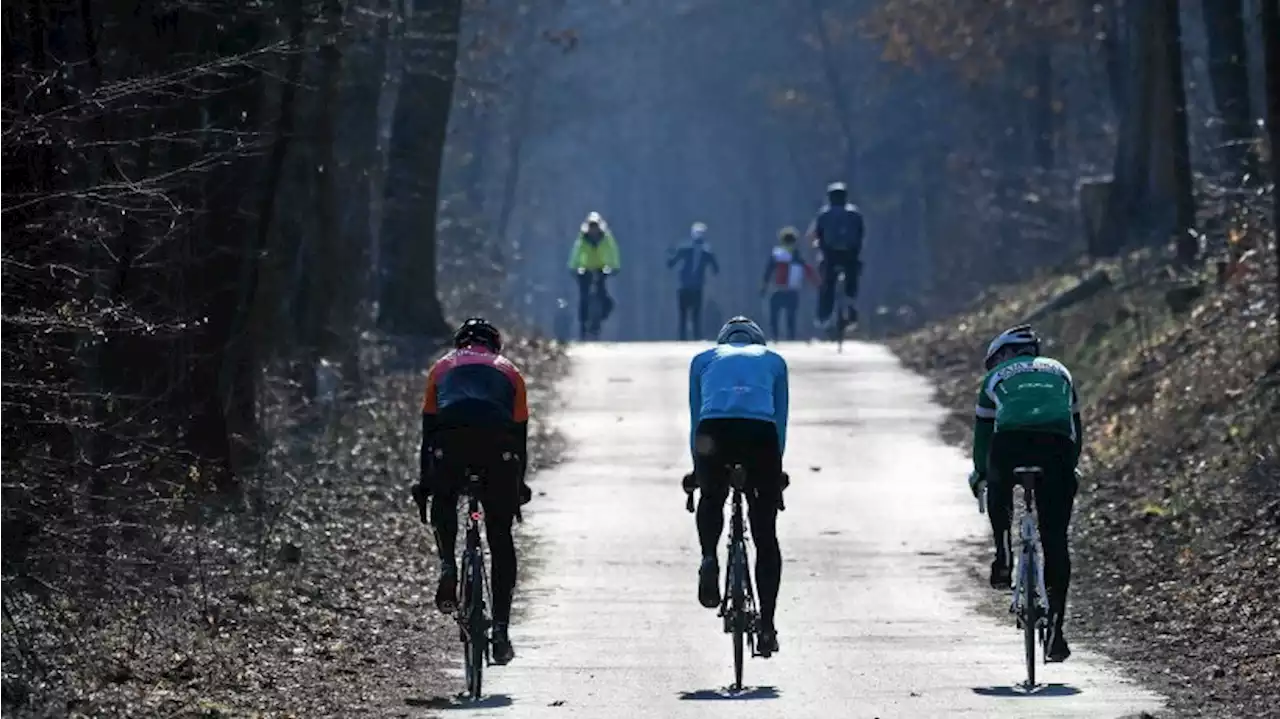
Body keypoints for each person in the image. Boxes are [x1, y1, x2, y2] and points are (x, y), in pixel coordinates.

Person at [412, 317, 533, 666]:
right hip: (497, 448)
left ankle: (449, 564)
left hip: (451, 443)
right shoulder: (510, 371)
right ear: (494, 345)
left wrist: (426, 483)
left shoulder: (441, 367)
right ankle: (500, 629)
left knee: (445, 496)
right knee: (499, 535)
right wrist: (517, 483)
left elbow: (428, 432)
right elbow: (519, 435)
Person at [967, 324, 1082, 663]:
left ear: (1002, 355)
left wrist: (981, 476)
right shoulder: (1061, 372)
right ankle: (1057, 632)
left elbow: (982, 439)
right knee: (1055, 538)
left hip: (1011, 445)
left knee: (999, 484)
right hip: (1057, 448)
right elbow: (1076, 430)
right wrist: (1070, 467)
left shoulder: (995, 378)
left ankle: (1003, 554)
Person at [685, 317, 789, 656]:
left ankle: (708, 558)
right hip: (760, 436)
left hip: (713, 431)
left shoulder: (703, 360)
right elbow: (780, 421)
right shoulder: (774, 360)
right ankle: (768, 627)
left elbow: (695, 416)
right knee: (765, 536)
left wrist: (697, 469)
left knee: (712, 496)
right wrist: (776, 468)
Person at [808, 182, 865, 329]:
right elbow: (861, 233)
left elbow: (817, 234)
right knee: (852, 279)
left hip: (830, 255)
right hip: (850, 254)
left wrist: (818, 247)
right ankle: (851, 306)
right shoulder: (855, 213)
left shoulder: (824, 213)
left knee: (826, 284)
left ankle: (823, 316)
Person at [567, 211, 621, 339]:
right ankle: (583, 323)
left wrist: (614, 266)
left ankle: (599, 318)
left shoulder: (606, 238)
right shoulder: (583, 238)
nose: (593, 229)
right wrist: (574, 267)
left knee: (604, 297)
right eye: (591, 226)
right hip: (585, 269)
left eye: (595, 226)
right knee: (584, 297)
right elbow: (576, 252)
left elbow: (612, 251)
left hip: (601, 268)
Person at [760, 227, 818, 341]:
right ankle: (790, 337)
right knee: (791, 317)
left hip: (778, 289)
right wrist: (816, 283)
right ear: (795, 241)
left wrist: (764, 287)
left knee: (774, 315)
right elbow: (807, 270)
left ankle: (775, 336)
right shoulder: (797, 255)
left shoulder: (776, 254)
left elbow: (768, 271)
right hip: (792, 291)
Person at [667, 221, 720, 340]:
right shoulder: (692, 249)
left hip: (693, 286)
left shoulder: (697, 250)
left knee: (690, 314)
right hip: (689, 286)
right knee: (688, 314)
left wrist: (670, 256)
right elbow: (716, 268)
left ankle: (690, 337)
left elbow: (671, 263)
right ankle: (687, 337)